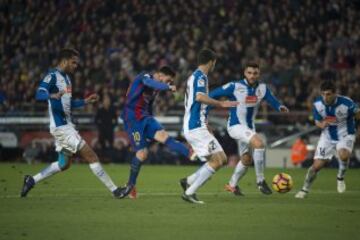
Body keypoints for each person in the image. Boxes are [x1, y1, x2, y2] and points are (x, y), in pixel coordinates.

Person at [20, 48, 122, 198]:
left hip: (67, 125)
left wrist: (85, 101)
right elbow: (39, 93)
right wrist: (51, 95)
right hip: (61, 127)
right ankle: (115, 191)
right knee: (91, 156)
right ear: (65, 61)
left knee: (64, 164)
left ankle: (31, 180)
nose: (76, 66)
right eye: (74, 63)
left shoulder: (67, 79)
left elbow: (69, 103)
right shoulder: (52, 76)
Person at [208, 62, 289, 196]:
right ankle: (260, 181)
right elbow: (213, 94)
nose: (252, 76)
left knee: (246, 160)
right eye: (249, 73)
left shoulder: (262, 88)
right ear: (245, 73)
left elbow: (272, 100)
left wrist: (279, 106)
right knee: (259, 144)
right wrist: (205, 111)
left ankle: (232, 185)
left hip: (249, 128)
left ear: (259, 74)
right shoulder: (235, 86)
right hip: (236, 126)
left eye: (255, 73)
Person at [117, 66, 197, 199]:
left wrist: (151, 127)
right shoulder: (145, 76)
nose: (169, 83)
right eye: (168, 80)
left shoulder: (156, 88)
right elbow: (149, 83)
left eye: (170, 82)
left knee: (164, 136)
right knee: (142, 154)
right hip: (132, 119)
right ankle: (130, 185)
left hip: (145, 118)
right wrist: (167, 87)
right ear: (160, 75)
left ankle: (190, 153)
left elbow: (149, 105)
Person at [179, 48, 238, 204]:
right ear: (211, 62)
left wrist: (207, 123)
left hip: (198, 124)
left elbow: (197, 105)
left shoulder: (195, 76)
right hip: (195, 126)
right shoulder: (200, 77)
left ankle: (189, 181)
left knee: (222, 159)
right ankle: (190, 192)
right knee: (217, 161)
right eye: (214, 63)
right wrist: (221, 103)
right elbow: (199, 97)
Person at [295, 80, 360, 198]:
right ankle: (304, 189)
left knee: (344, 155)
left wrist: (357, 127)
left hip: (345, 134)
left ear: (335, 94)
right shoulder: (317, 104)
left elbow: (358, 114)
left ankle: (340, 177)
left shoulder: (346, 103)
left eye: (328, 94)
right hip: (327, 136)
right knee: (316, 166)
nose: (326, 97)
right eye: (323, 94)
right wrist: (321, 125)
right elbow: (316, 121)